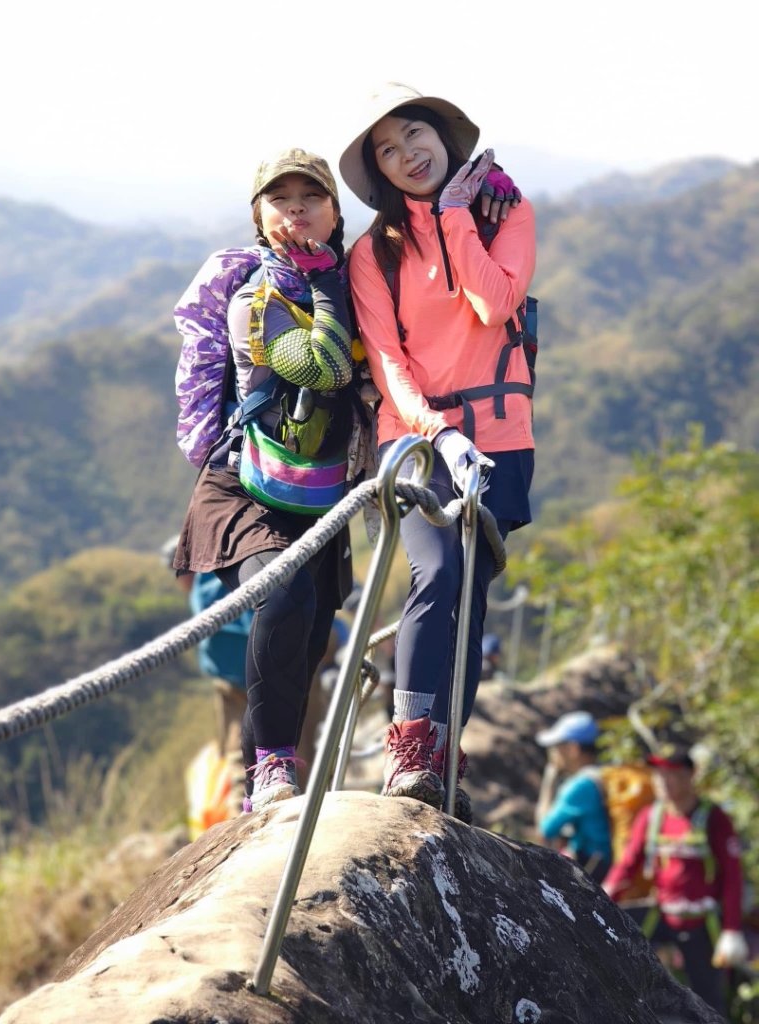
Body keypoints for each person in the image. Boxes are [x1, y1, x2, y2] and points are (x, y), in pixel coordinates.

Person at [339, 83, 534, 823]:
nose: (406, 154)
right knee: (439, 570)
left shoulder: (505, 214)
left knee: (473, 593)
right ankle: (411, 748)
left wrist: (455, 215)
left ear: (443, 135)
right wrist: (437, 431)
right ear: (379, 172)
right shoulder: (374, 253)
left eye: (413, 134)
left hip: (501, 436)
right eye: (387, 150)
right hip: (416, 438)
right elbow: (387, 359)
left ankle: (445, 758)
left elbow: (494, 304)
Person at [172, 148, 366, 814]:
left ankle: (268, 786)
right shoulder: (256, 292)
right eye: (279, 200)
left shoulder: (360, 280)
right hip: (246, 480)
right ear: (259, 218)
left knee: (307, 641)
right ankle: (270, 769)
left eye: (310, 197)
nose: (296, 210)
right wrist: (324, 283)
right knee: (283, 594)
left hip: (318, 485)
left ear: (335, 212)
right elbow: (325, 367)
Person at [603, 745, 748, 1015]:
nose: (664, 782)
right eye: (659, 775)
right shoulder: (651, 816)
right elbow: (627, 865)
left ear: (690, 776)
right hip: (662, 917)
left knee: (708, 1000)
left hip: (702, 924)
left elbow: (732, 876)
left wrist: (731, 929)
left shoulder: (714, 818)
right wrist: (601, 897)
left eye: (672, 774)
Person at [160, 535, 253, 817]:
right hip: (267, 663)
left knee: (240, 755)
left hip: (234, 675)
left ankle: (242, 818)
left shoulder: (205, 584)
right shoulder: (235, 561)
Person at [534, 711, 613, 881]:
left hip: (594, 870)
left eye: (556, 747)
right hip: (608, 864)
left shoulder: (580, 785)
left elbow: (544, 830)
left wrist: (549, 780)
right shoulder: (604, 774)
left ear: (573, 749)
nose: (553, 754)